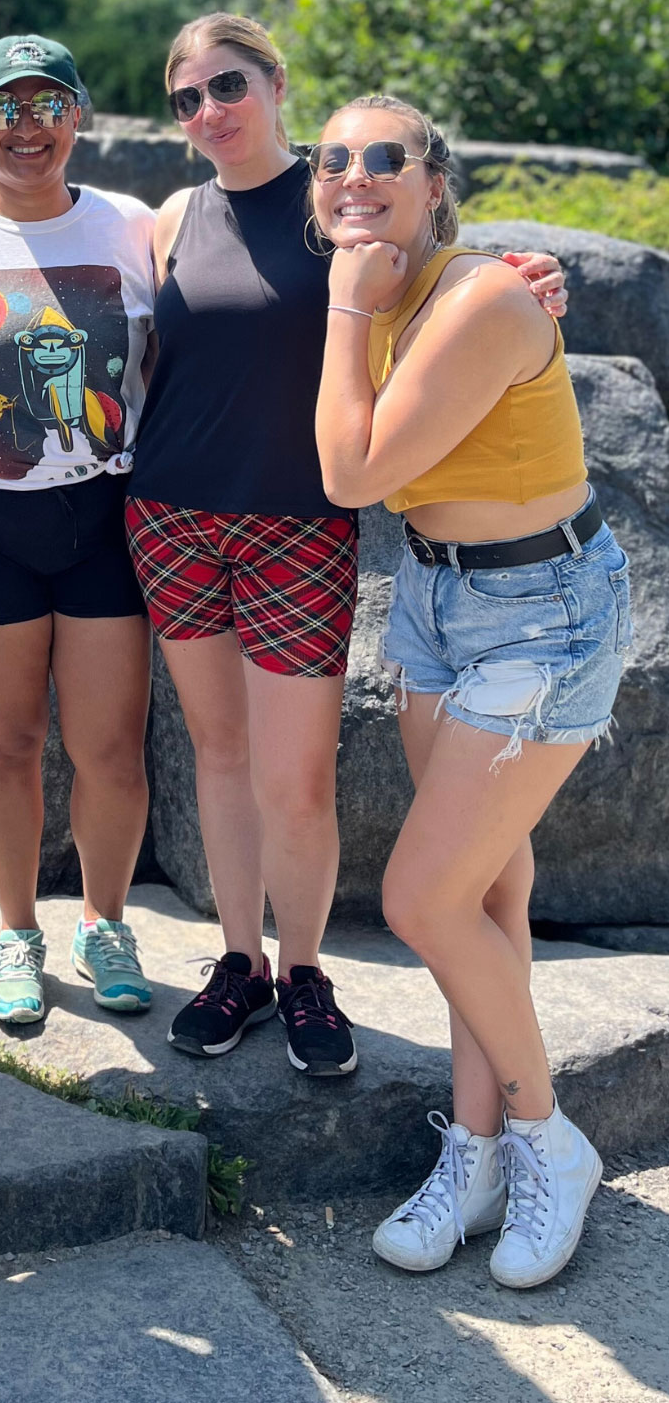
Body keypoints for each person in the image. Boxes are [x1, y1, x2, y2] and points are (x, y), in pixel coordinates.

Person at [125, 14, 569, 1078]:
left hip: (300, 527)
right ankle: (239, 961)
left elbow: (440, 273)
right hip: (173, 514)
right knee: (218, 757)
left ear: (276, 83)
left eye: (227, 86)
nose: (209, 113)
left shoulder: (338, 206)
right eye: (186, 99)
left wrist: (531, 281)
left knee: (299, 779)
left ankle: (307, 968)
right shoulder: (172, 217)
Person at [312, 94, 627, 1289]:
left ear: (434, 181)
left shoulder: (482, 296)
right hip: (439, 601)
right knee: (488, 884)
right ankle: (479, 1149)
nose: (354, 175)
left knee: (420, 898)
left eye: (383, 157)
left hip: (544, 614)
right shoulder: (372, 284)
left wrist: (349, 299)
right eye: (332, 160)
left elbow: (352, 471)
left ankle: (550, 1136)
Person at [0, 35, 157, 1025]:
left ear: (79, 117)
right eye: (4, 108)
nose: (27, 128)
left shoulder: (132, 227)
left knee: (112, 750)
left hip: (101, 517)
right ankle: (16, 932)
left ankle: (104, 921)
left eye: (48, 104)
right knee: (5, 744)